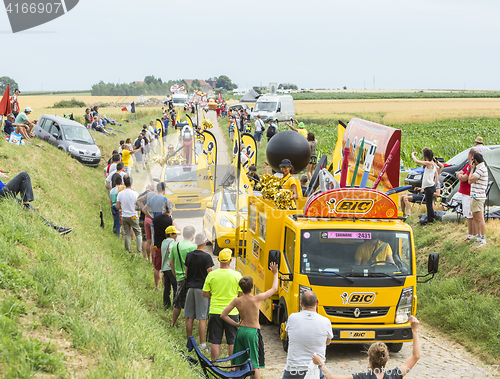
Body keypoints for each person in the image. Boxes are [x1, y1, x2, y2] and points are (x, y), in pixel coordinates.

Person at [313, 316, 421, 379]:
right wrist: (415, 330)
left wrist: (321, 363)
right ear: (386, 358)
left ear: (369, 358)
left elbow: (332, 377)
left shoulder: (362, 377)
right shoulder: (394, 375)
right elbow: (416, 356)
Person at [221, 263, 279, 379]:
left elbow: (223, 315)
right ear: (252, 288)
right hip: (252, 332)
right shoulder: (256, 299)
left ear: (241, 288)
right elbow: (274, 289)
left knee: (237, 360)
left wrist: (236, 324)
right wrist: (275, 273)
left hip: (241, 331)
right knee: (254, 362)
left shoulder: (237, 301)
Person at [282, 291, 333, 379]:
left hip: (294, 369)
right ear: (317, 302)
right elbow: (327, 342)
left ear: (301, 303)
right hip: (315, 370)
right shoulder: (325, 321)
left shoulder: (292, 318)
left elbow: (290, 335)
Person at [203, 248, 242, 361]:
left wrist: (213, 294)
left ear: (219, 259)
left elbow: (205, 293)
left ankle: (214, 365)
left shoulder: (212, 275)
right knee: (232, 341)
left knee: (215, 341)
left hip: (215, 311)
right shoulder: (237, 275)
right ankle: (233, 366)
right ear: (230, 260)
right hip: (232, 312)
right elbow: (241, 294)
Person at [184, 233, 214, 350]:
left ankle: (189, 341)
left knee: (189, 316)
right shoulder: (206, 257)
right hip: (202, 289)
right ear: (205, 243)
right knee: (202, 317)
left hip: (190, 288)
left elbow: (186, 273)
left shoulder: (189, 255)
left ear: (195, 242)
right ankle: (202, 344)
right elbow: (210, 275)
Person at [169, 225, 197, 327]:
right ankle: (188, 324)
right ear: (193, 235)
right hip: (191, 279)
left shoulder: (175, 246)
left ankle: (173, 323)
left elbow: (171, 262)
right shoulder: (194, 247)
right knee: (189, 303)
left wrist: (175, 274)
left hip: (180, 278)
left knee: (178, 302)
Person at [411, 148, 439, 223]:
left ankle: (430, 221)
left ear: (426, 156)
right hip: (431, 186)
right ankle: (432, 219)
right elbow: (436, 175)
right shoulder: (433, 164)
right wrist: (434, 184)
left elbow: (416, 161)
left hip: (429, 187)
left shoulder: (429, 163)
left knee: (428, 205)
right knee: (429, 204)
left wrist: (412, 155)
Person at [116, 176, 142, 253]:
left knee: (127, 234)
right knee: (138, 233)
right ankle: (139, 250)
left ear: (124, 183)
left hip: (124, 216)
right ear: (132, 184)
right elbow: (138, 207)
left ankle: (128, 250)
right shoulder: (135, 194)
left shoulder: (120, 194)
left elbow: (117, 206)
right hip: (133, 216)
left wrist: (123, 206)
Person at [468, 152, 488, 247]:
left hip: (479, 197)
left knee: (480, 218)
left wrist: (471, 169)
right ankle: (478, 236)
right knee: (475, 217)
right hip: (475, 196)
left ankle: (483, 239)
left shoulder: (481, 169)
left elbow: (470, 180)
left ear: (475, 161)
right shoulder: (479, 168)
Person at [456, 148, 475, 241]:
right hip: (464, 192)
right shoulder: (468, 165)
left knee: (470, 214)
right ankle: (470, 234)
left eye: (468, 154)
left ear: (470, 155)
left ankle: (472, 234)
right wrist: (460, 175)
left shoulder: (472, 166)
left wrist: (460, 176)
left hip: (468, 192)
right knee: (467, 214)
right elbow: (459, 174)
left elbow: (464, 178)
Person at [161, 225, 179, 309]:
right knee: (175, 287)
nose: (176, 236)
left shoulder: (163, 242)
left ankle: (166, 305)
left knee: (167, 288)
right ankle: (175, 305)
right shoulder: (172, 241)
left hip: (164, 268)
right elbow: (170, 250)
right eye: (175, 234)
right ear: (171, 234)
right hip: (170, 267)